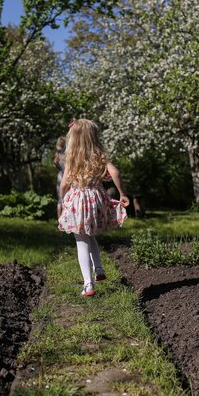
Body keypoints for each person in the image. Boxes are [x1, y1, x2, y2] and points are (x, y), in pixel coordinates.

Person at [58, 119, 130, 297]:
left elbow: (65, 183)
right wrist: (122, 193)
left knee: (81, 241)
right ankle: (98, 268)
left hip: (78, 201)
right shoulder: (100, 156)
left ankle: (88, 284)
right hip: (95, 199)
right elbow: (115, 172)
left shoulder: (71, 158)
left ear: (72, 138)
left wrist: (62, 198)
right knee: (90, 236)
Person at [53, 136, 66, 218]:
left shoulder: (57, 155)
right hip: (67, 177)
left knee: (60, 200)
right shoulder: (66, 155)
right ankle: (65, 219)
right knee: (67, 198)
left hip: (60, 176)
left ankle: (59, 219)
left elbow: (55, 165)